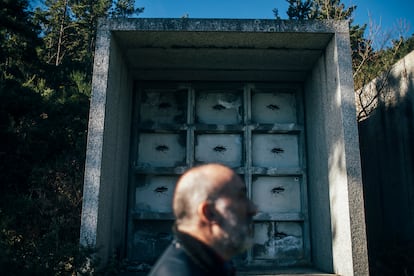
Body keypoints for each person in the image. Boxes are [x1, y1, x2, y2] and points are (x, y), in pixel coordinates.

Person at [148, 163, 257, 276]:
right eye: (240, 198)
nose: (253, 209)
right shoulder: (180, 272)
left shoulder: (211, 263)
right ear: (209, 213)